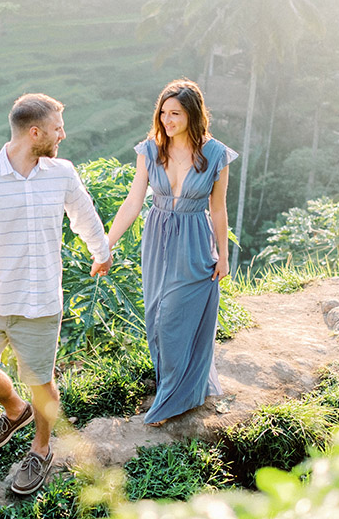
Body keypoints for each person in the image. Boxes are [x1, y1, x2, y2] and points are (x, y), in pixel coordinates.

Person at [0, 93, 111, 495]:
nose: (63, 135)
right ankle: (14, 409)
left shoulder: (62, 173)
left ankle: (41, 449)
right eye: (57, 129)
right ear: (34, 133)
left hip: (39, 304)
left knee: (42, 383)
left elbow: (84, 216)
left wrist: (101, 251)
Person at [105, 79, 238, 427]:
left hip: (195, 238)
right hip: (159, 237)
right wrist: (107, 243)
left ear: (193, 115)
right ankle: (174, 386)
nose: (167, 120)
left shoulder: (217, 155)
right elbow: (134, 201)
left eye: (175, 113)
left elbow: (219, 209)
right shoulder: (150, 150)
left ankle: (172, 399)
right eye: (163, 113)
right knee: (158, 317)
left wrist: (223, 255)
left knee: (180, 316)